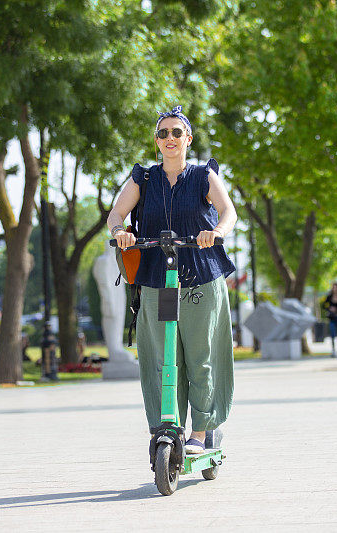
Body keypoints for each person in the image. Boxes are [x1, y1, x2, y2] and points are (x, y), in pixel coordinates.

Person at [106, 105, 237, 455]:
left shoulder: (203, 176)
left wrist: (217, 232)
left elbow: (228, 211)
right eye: (163, 133)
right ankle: (169, 425)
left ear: (188, 139)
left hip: (200, 277)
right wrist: (120, 231)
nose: (170, 139)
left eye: (177, 133)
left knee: (201, 355)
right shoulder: (143, 179)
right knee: (163, 358)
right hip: (157, 279)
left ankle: (202, 431)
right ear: (156, 142)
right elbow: (117, 213)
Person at [322, 283, 337, 357]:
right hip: (332, 318)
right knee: (332, 333)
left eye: (336, 288)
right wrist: (329, 308)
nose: (334, 289)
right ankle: (333, 350)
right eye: (333, 288)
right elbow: (323, 305)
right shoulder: (329, 297)